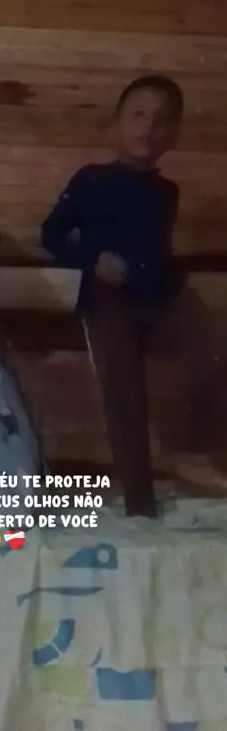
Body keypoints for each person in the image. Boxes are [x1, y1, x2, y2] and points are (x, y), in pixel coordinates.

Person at [41, 74, 227, 517]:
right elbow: (52, 235)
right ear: (118, 123)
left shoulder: (166, 191)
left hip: (161, 298)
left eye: (162, 120)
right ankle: (139, 502)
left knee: (219, 344)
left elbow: (154, 248)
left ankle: (193, 451)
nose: (148, 127)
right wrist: (93, 258)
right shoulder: (91, 180)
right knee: (124, 388)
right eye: (139, 115)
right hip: (108, 299)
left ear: (173, 134)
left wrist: (175, 285)